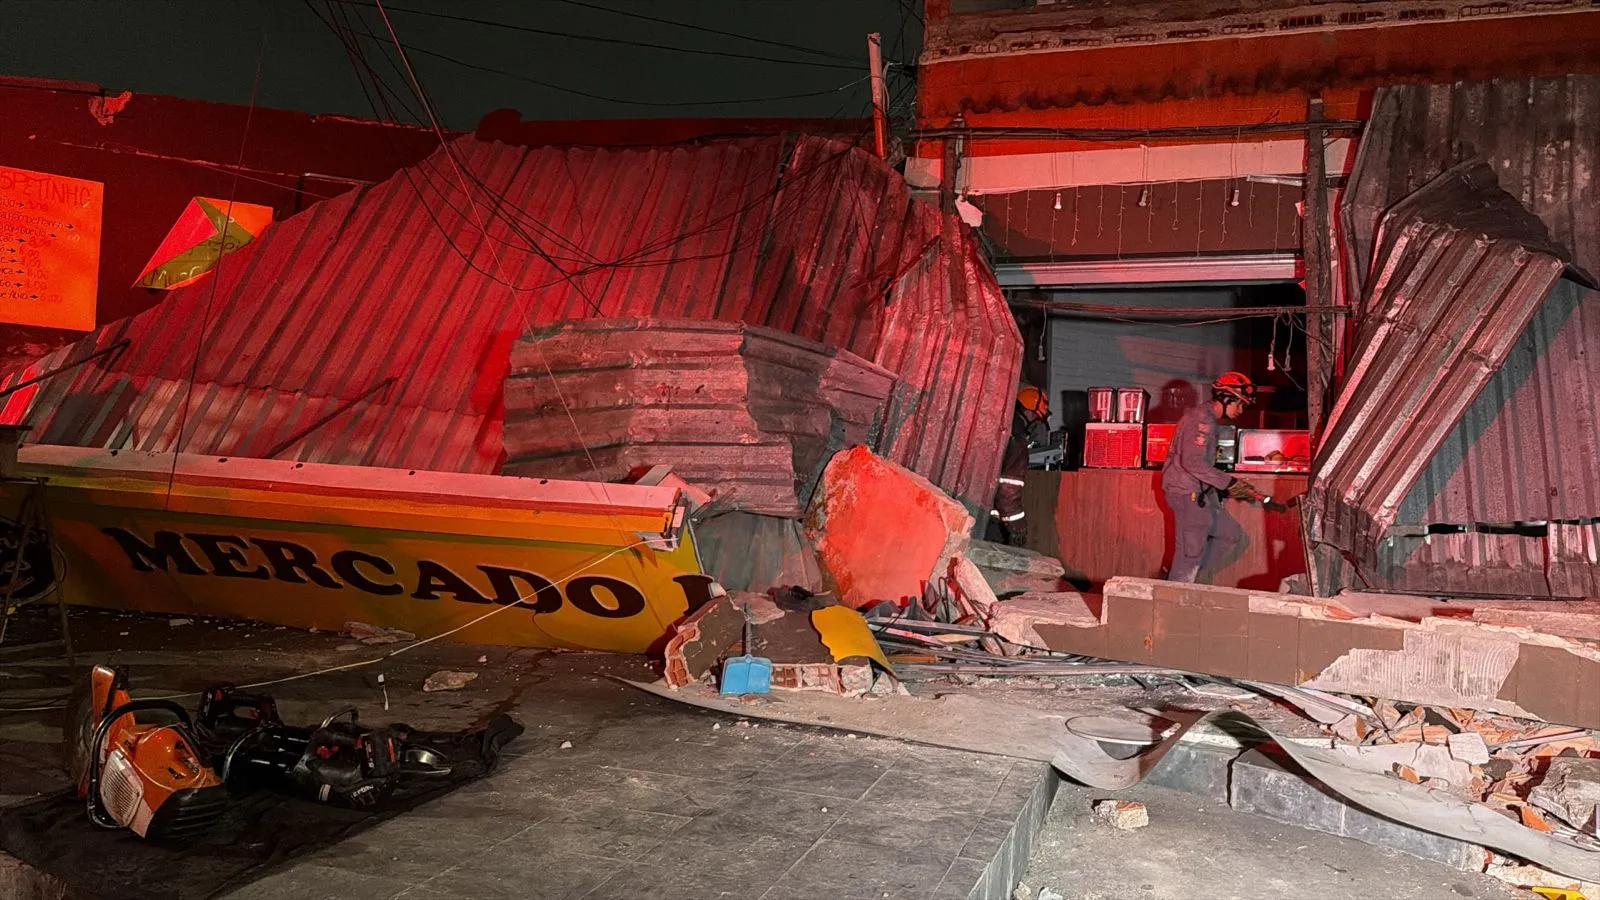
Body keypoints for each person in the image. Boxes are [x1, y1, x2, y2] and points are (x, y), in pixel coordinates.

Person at [1161, 372, 1265, 583]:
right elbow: (1192, 463)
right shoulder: (1201, 420)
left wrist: (1224, 487)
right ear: (1226, 398)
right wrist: (1231, 483)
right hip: (1186, 493)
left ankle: (1194, 580)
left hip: (1198, 492)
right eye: (1240, 404)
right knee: (1190, 554)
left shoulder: (1208, 419)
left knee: (1231, 536)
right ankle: (1176, 600)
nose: (1241, 410)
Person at [993, 385, 1050, 547]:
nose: (1034, 423)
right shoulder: (1017, 441)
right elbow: (1008, 490)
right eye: (1035, 417)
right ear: (1028, 412)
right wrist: (1018, 526)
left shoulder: (1001, 428)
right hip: (992, 525)